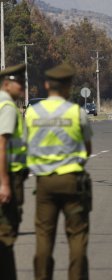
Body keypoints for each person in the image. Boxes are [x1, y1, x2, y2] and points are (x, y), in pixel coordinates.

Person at [25, 63, 93, 280]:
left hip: (44, 182)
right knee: (77, 236)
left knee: (44, 236)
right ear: (68, 87)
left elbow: (25, 144)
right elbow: (87, 147)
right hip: (72, 180)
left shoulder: (33, 113)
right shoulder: (76, 112)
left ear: (46, 85)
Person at [0, 64, 28, 280]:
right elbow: (2, 143)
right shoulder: (8, 107)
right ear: (7, 84)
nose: (23, 88)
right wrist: (5, 182)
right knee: (6, 236)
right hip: (9, 175)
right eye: (19, 83)